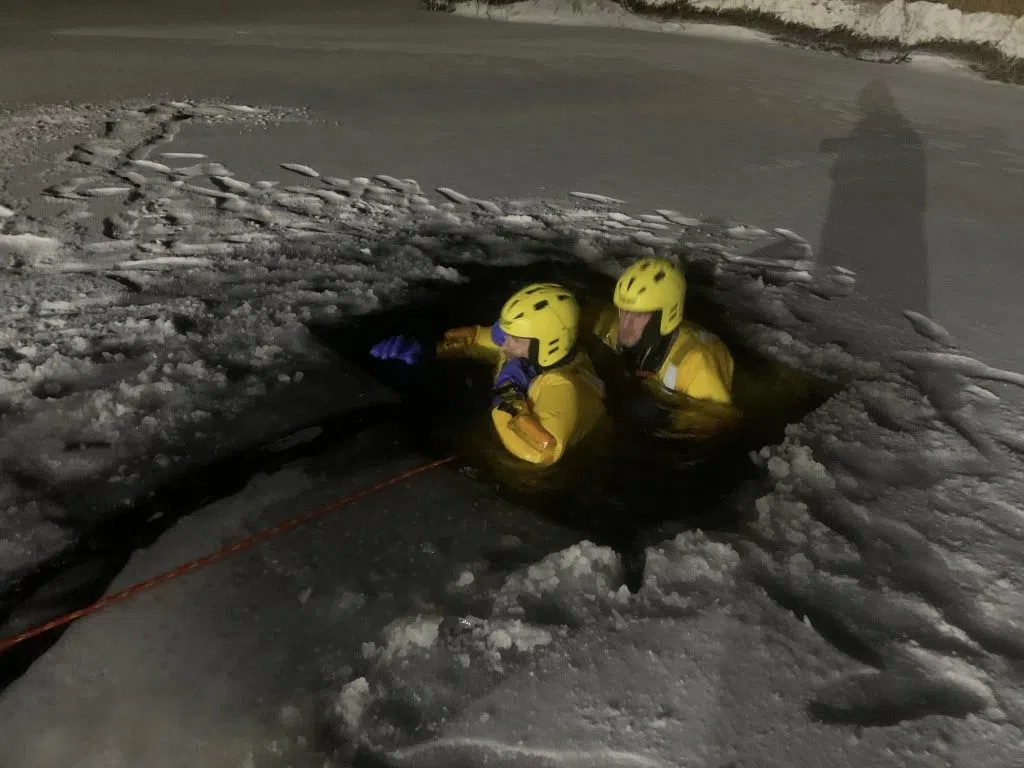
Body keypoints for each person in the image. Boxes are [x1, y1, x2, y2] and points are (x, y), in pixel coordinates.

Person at [370, 283, 606, 466]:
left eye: (514, 338)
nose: (505, 344)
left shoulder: (563, 386)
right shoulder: (529, 353)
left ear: (547, 344)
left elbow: (542, 453)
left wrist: (509, 397)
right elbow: (481, 340)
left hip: (547, 475)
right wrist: (429, 350)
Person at [586, 258, 736, 436]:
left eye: (639, 315)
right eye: (624, 310)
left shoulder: (698, 366)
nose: (626, 324)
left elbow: (712, 430)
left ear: (665, 317)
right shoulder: (609, 324)